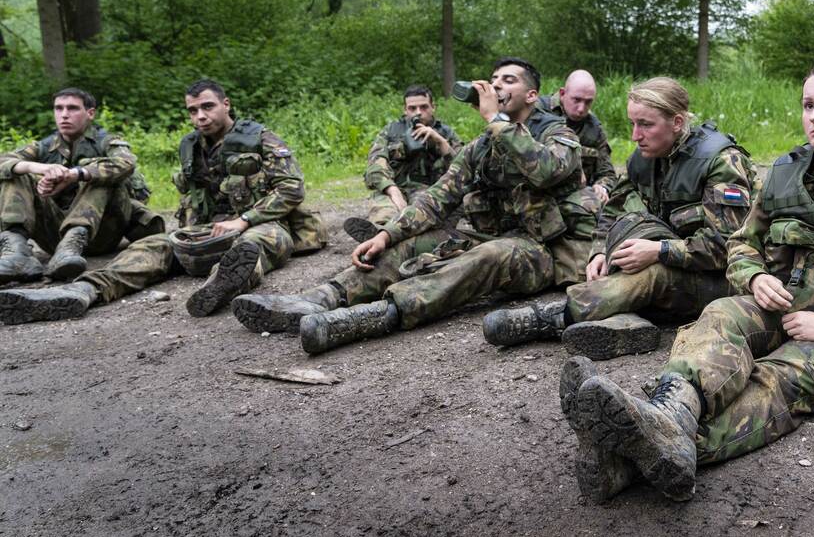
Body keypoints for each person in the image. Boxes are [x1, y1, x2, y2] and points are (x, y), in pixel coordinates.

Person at [563, 60, 814, 502]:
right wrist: (755, 276)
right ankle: (670, 410)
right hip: (794, 300)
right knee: (721, 314)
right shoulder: (786, 171)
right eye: (808, 105)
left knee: (782, 376)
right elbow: (741, 243)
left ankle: (632, 460)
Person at [231, 58, 596, 353]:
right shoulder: (482, 146)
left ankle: (380, 313)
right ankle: (320, 298)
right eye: (494, 79)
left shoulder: (558, 133)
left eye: (508, 80)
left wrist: (495, 120)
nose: (496, 85)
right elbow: (438, 197)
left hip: (541, 250)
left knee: (488, 255)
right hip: (490, 235)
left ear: (531, 95)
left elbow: (546, 171)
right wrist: (387, 236)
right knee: (411, 245)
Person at [0, 80, 325, 324]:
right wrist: (188, 235)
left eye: (208, 107)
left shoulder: (260, 138)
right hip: (207, 230)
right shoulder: (191, 146)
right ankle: (83, 291)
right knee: (151, 247)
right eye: (193, 110)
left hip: (262, 224)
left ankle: (220, 283)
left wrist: (243, 221)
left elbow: (291, 189)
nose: (200, 116)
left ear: (226, 105)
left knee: (253, 246)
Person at [482, 77, 755, 360]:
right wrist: (600, 251)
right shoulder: (645, 157)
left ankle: (553, 316)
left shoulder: (720, 162)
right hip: (683, 263)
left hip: (727, 279)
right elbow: (613, 209)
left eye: (646, 125)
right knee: (631, 228)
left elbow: (726, 247)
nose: (636, 135)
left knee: (653, 273)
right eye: (632, 124)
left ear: (676, 123)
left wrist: (658, 250)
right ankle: (626, 324)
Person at [0, 87, 164, 292]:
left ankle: (73, 241)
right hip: (53, 237)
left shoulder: (108, 142)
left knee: (99, 173)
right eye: (58, 108)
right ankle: (16, 251)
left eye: (72, 108)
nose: (64, 114)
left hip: (100, 233)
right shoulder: (43, 146)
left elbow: (126, 163)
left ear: (90, 113)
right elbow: (3, 160)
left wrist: (76, 174)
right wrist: (38, 168)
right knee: (13, 172)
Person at [342, 85, 462, 243]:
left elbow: (463, 170)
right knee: (384, 211)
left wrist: (441, 143)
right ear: (405, 110)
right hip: (395, 188)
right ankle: (379, 234)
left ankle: (394, 239)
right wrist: (393, 191)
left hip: (429, 192)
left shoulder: (446, 133)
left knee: (420, 214)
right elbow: (375, 166)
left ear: (433, 107)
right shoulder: (391, 131)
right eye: (412, 108)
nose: (418, 112)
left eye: (424, 107)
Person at [537, 70, 616, 204]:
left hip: (572, 198)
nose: (581, 109)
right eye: (576, 100)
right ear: (562, 93)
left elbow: (607, 173)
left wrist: (602, 187)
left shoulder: (594, 129)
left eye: (588, 102)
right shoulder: (537, 112)